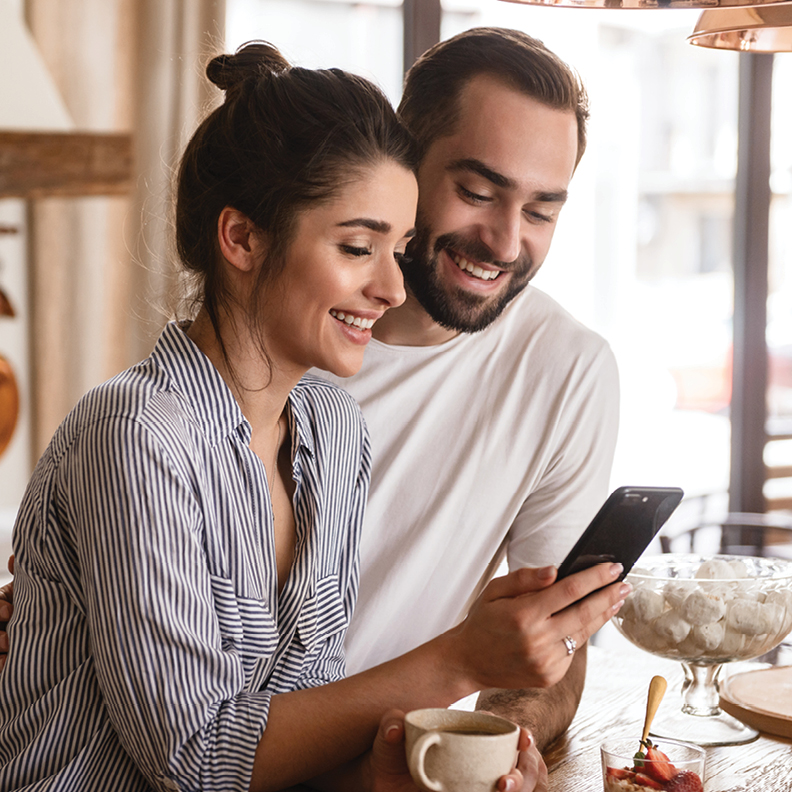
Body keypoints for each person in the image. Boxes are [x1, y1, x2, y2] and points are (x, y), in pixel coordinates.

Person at [0, 41, 627, 792]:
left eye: (395, 249)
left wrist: (413, 768)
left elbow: (288, 722)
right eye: (360, 246)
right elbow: (196, 762)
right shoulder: (136, 434)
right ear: (241, 238)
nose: (392, 287)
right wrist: (462, 657)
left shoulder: (331, 429)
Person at [316, 26, 621, 781]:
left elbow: (549, 654)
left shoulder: (566, 368)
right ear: (402, 160)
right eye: (478, 193)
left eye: (542, 210)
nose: (505, 242)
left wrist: (502, 750)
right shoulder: (291, 334)